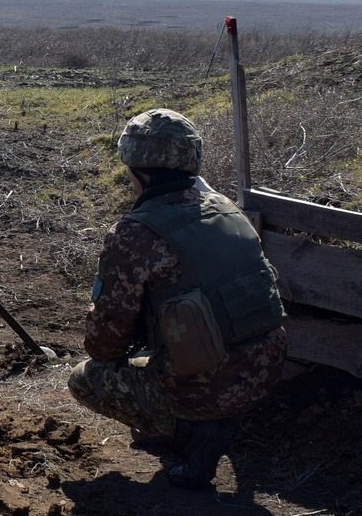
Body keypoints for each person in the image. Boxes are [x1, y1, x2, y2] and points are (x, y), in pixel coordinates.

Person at [67, 108, 287, 489]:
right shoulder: (227, 209)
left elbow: (103, 344)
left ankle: (185, 430)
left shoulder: (135, 234)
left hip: (208, 388)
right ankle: (192, 418)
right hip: (268, 372)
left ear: (137, 171)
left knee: (85, 379)